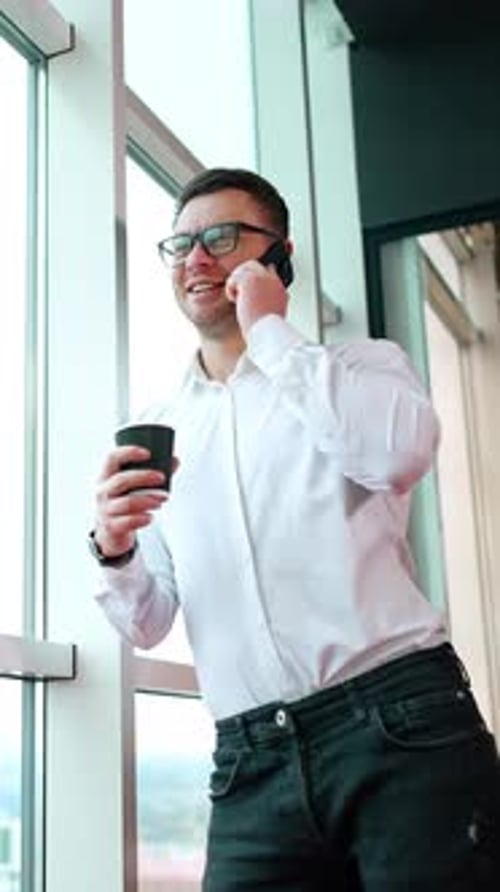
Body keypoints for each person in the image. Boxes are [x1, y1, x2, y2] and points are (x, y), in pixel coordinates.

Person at [90, 167, 500, 891]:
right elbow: (146, 622)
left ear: (278, 256)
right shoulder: (163, 425)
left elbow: (398, 455)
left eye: (222, 237)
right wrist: (114, 549)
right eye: (181, 244)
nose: (196, 258)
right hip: (250, 762)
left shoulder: (360, 367)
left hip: (401, 726)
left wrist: (269, 332)